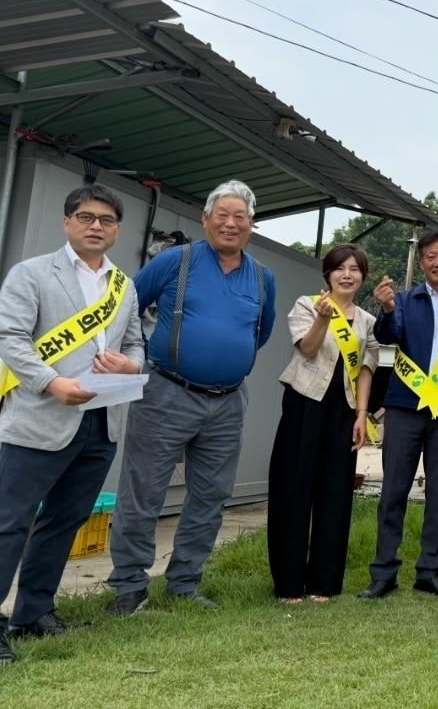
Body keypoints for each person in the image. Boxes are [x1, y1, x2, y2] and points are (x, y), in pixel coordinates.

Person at [107, 180, 276, 615]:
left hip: (228, 401)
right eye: (222, 214)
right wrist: (136, 358)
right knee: (142, 492)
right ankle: (129, 586)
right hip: (165, 391)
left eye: (240, 216)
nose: (230, 223)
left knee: (210, 496)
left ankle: (184, 582)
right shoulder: (173, 262)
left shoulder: (262, 277)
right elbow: (124, 308)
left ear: (251, 225)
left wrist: (223, 361)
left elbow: (262, 332)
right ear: (205, 219)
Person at [0, 186, 144, 665]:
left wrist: (128, 365)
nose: (96, 226)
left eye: (106, 219)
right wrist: (49, 383)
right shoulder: (33, 273)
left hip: (101, 422)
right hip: (41, 418)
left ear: (117, 229)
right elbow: (11, 337)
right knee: (8, 523)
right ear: (67, 222)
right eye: (86, 217)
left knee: (64, 519)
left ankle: (34, 612)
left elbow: (136, 344)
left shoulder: (124, 285)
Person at [360, 231, 438, 602]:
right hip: (404, 406)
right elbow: (388, 336)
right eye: (431, 257)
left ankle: (430, 572)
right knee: (393, 491)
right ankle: (383, 572)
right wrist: (385, 309)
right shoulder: (402, 300)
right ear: (422, 263)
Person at [267, 244, 378, 603]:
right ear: (327, 274)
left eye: (355, 269)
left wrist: (362, 415)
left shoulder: (366, 321)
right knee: (293, 489)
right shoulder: (306, 304)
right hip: (304, 404)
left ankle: (324, 583)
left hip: (344, 412)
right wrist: (322, 318)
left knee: (335, 495)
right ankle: (288, 584)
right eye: (340, 268)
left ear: (363, 276)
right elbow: (308, 348)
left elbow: (365, 370)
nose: (347, 275)